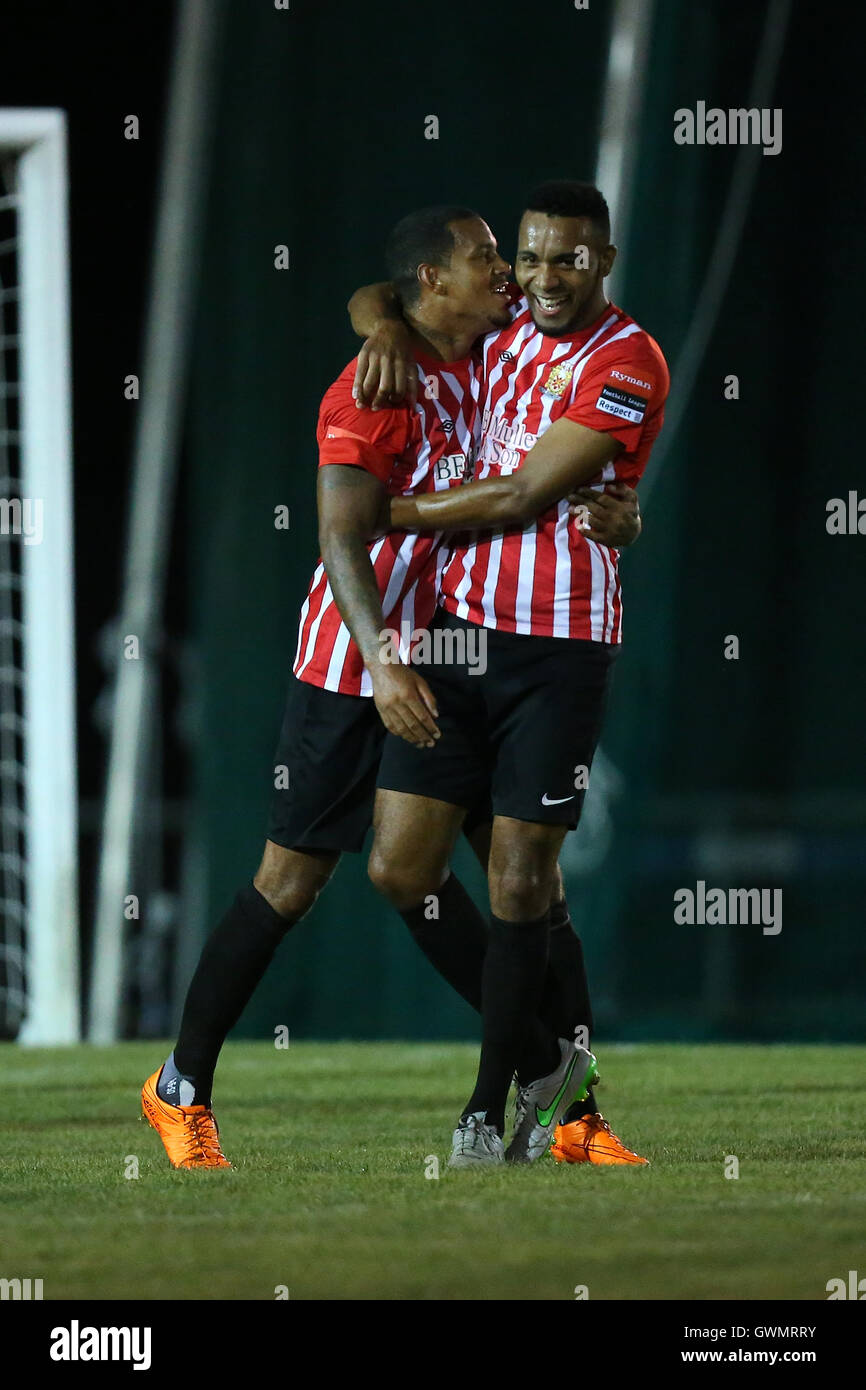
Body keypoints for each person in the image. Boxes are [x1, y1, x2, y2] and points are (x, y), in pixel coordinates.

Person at [140, 205, 638, 1169]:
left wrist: (620, 512)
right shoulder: (375, 382)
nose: (505, 271)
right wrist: (379, 662)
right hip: (352, 664)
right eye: (484, 257)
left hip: (461, 652)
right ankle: (179, 1087)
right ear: (432, 284)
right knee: (288, 884)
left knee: (527, 880)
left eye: (506, 254)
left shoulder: (479, 347)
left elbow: (378, 295)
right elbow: (340, 536)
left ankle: (571, 1111)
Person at [351, 180, 669, 1167]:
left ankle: (491, 1110)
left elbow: (527, 490)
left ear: (601, 263)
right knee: (399, 866)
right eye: (526, 259)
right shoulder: (499, 334)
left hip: (555, 649)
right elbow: (385, 289)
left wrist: (385, 518)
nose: (540, 277)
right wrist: (383, 331)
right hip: (456, 633)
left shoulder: (625, 359)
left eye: (564, 260)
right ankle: (553, 1069)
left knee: (520, 883)